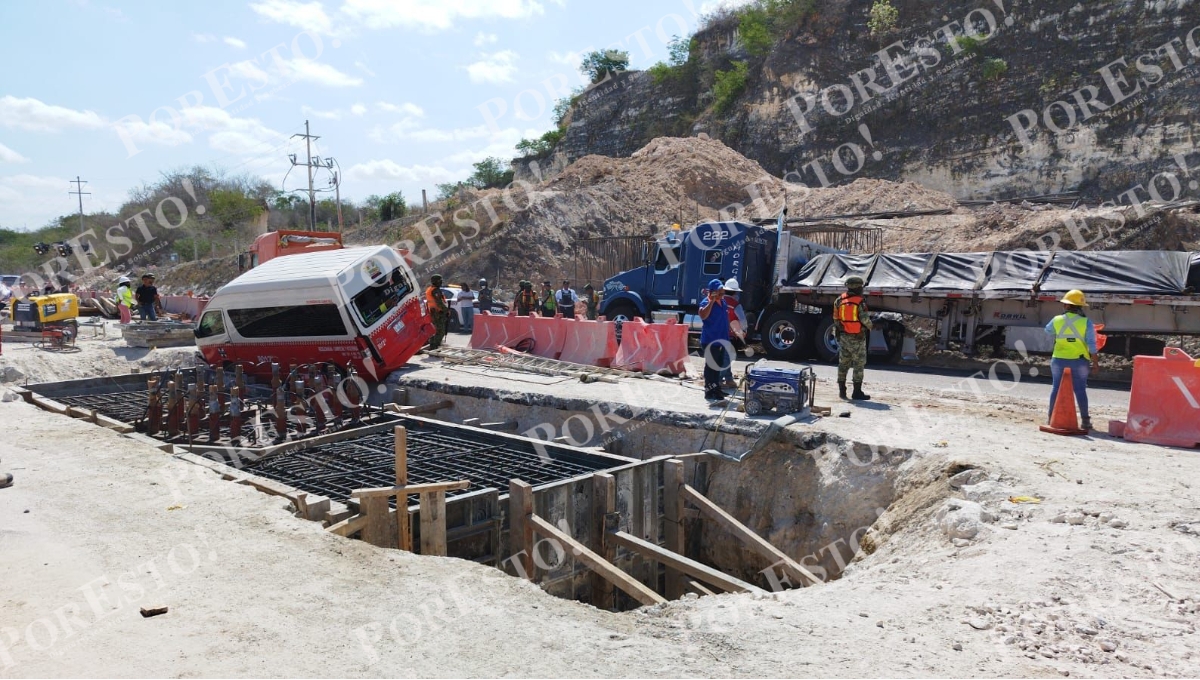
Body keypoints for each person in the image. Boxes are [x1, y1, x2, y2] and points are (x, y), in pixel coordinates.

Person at [1044, 289, 1099, 430]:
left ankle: (1051, 418)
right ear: (1080, 307)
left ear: (1067, 306)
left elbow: (1048, 330)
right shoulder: (1086, 322)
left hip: (1058, 359)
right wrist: (1095, 362)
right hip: (1079, 361)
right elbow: (1092, 344)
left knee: (1056, 388)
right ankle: (1085, 421)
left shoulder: (1057, 320)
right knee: (1080, 390)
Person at [833, 275, 873, 400]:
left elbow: (836, 319)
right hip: (858, 337)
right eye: (861, 287)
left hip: (844, 337)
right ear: (857, 287)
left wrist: (841, 331)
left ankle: (842, 391)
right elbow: (865, 319)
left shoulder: (839, 300)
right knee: (858, 364)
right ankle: (856, 392)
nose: (862, 289)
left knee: (843, 364)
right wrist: (871, 326)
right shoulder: (860, 301)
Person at [698, 278, 731, 401]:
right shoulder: (705, 303)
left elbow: (724, 319)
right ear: (713, 292)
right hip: (710, 340)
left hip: (721, 340)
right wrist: (711, 302)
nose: (722, 295)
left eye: (723, 293)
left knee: (717, 367)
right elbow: (703, 315)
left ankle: (716, 389)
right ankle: (709, 391)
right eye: (720, 292)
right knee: (711, 367)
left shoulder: (723, 303)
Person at [721, 278, 749, 389]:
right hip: (731, 335)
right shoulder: (736, 304)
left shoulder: (719, 301)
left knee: (724, 358)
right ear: (735, 292)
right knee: (727, 359)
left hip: (719, 333)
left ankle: (729, 379)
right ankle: (719, 380)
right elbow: (742, 320)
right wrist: (744, 331)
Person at [424, 274, 449, 349]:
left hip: (433, 312)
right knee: (440, 331)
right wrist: (446, 310)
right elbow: (439, 302)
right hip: (437, 312)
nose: (441, 282)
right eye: (440, 281)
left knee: (435, 330)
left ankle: (432, 345)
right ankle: (435, 346)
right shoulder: (435, 290)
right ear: (436, 282)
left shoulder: (430, 289)